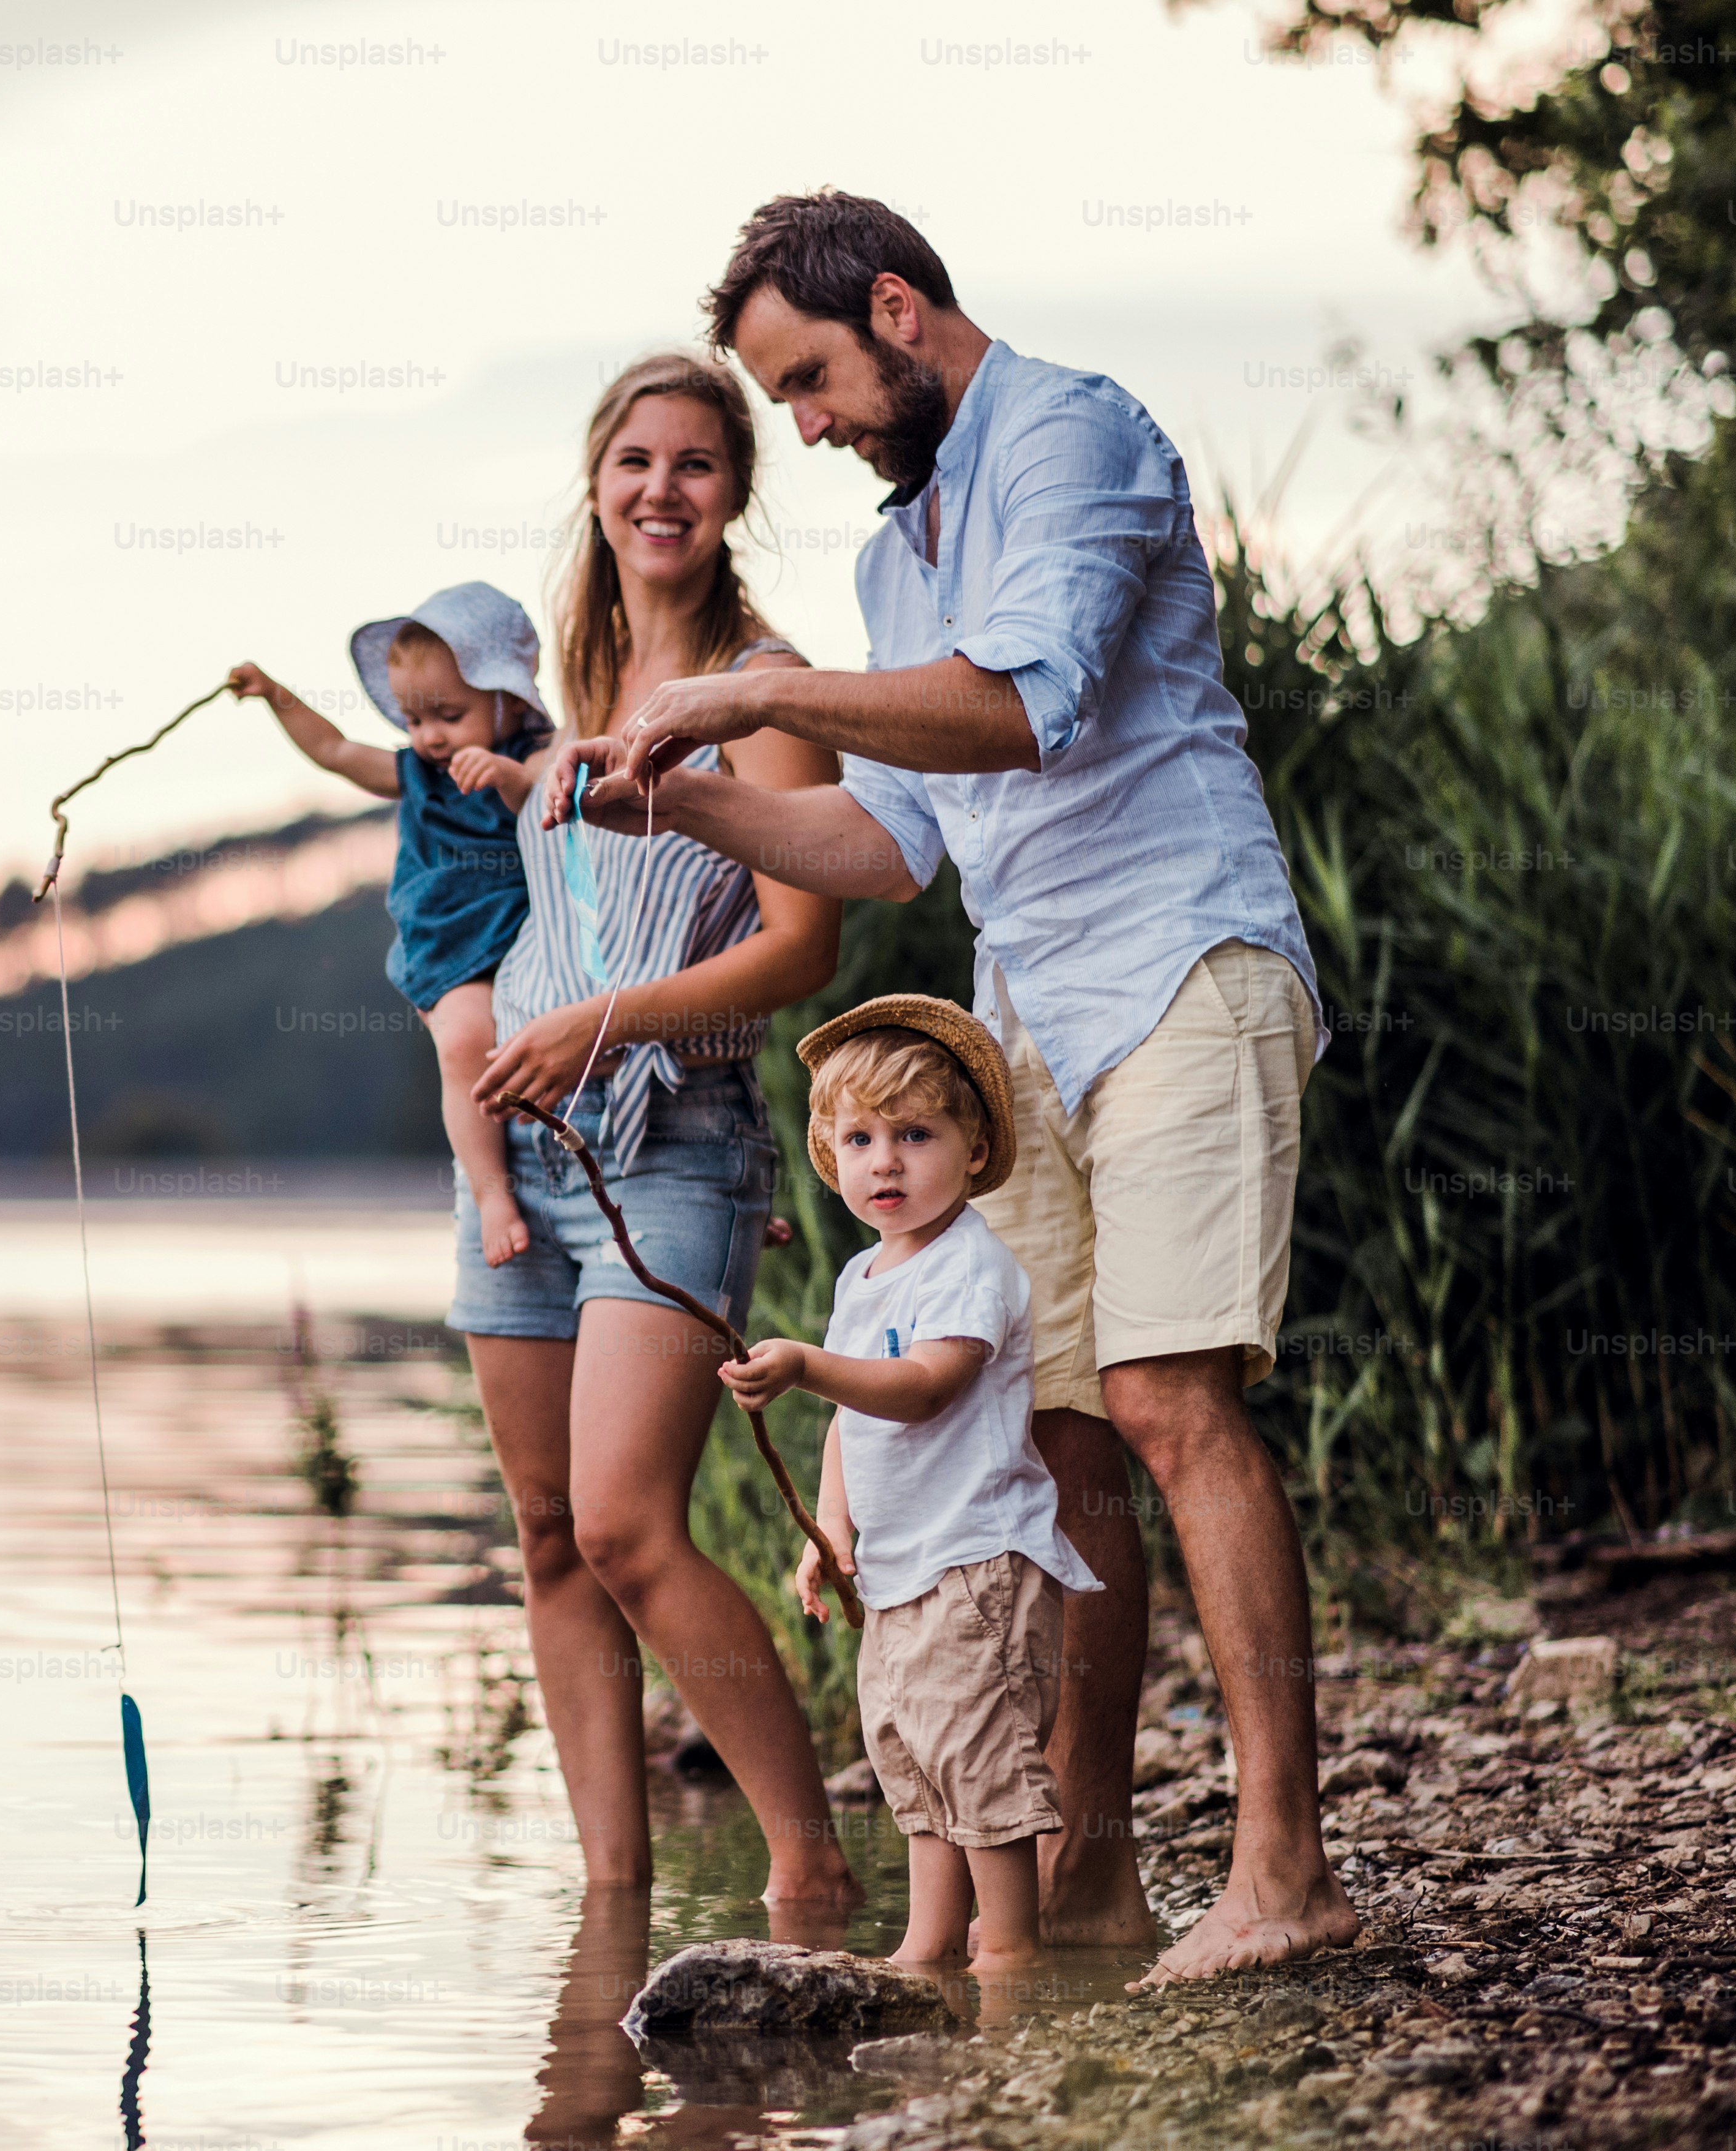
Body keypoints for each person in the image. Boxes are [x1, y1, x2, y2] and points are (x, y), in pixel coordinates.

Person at [550, 192, 1360, 1982]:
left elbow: (1022, 707)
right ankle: (1080, 1884)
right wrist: (671, 794)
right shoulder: (887, 565)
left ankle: (1283, 1868)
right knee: (1049, 1438)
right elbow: (883, 836)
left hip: (1176, 963)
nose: (810, 426)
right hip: (1021, 1019)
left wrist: (742, 688)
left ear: (899, 309)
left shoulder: (1075, 432)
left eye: (811, 381)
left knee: (1163, 1396)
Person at [454, 351, 850, 1904]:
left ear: (735, 491)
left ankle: (808, 1861)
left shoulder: (768, 690)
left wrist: (602, 1023)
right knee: (548, 1535)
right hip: (520, 1151)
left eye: (694, 462)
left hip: (674, 1138)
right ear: (597, 482)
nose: (659, 489)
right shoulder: (567, 700)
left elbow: (804, 945)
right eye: (633, 460)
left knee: (625, 1520)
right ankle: (608, 1907)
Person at [721, 996, 1099, 1971]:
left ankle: (1011, 1954)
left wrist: (805, 1363)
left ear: (974, 1149)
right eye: (860, 1137)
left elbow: (926, 1388)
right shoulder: (861, 1279)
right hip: (897, 1573)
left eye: (915, 1134)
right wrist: (829, 1527)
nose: (884, 1160)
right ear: (832, 1154)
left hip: (976, 1568)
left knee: (982, 1767)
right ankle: (928, 1950)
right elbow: (854, 1423)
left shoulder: (970, 1265)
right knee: (917, 1761)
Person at [230, 584, 549, 1264]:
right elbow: (338, 752)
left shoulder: (539, 757)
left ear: (510, 699)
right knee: (466, 1042)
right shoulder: (418, 774)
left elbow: (554, 798)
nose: (430, 736)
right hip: (455, 948)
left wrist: (508, 777)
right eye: (413, 720)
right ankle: (493, 1193)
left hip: (535, 941)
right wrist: (275, 693)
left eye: (450, 716)